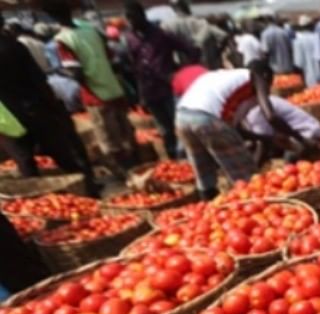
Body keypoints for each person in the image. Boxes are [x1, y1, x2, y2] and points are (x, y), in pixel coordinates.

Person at [175, 61, 310, 199]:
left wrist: (269, 139)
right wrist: (300, 138)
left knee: (204, 173)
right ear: (265, 76)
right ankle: (255, 206)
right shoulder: (256, 76)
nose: (268, 90)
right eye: (269, 83)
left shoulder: (225, 80)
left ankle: (208, 209)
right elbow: (271, 116)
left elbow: (235, 130)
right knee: (246, 176)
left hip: (182, 117)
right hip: (208, 118)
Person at [0, 15, 99, 196]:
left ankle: (39, 201)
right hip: (34, 109)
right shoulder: (14, 46)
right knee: (62, 155)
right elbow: (38, 80)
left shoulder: (14, 46)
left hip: (9, 119)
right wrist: (53, 106)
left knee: (26, 163)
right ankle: (90, 192)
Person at [45, 0, 138, 174]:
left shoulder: (63, 39)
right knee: (126, 132)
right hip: (114, 89)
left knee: (109, 139)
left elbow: (76, 73)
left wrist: (62, 73)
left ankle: (125, 174)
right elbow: (112, 59)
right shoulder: (91, 31)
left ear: (52, 17)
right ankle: (136, 165)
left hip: (96, 95)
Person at [124, 0, 198, 159]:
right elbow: (135, 66)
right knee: (164, 129)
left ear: (142, 15)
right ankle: (173, 158)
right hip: (149, 89)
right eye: (128, 19)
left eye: (133, 18)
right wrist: (141, 94)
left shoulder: (160, 34)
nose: (131, 22)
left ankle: (189, 157)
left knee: (179, 124)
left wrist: (183, 71)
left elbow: (190, 49)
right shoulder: (130, 38)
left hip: (168, 87)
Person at [239, 95, 320, 163]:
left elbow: (263, 145)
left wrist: (253, 172)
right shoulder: (260, 101)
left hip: (308, 136)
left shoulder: (254, 112)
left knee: (289, 162)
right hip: (303, 133)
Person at [164, 0, 228, 69]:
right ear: (186, 6)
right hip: (205, 66)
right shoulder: (201, 22)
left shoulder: (167, 26)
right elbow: (223, 36)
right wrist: (216, 53)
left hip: (184, 68)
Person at [293, 15, 320, 86]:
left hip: (309, 77)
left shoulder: (297, 42)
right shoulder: (317, 37)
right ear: (311, 26)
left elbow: (298, 63)